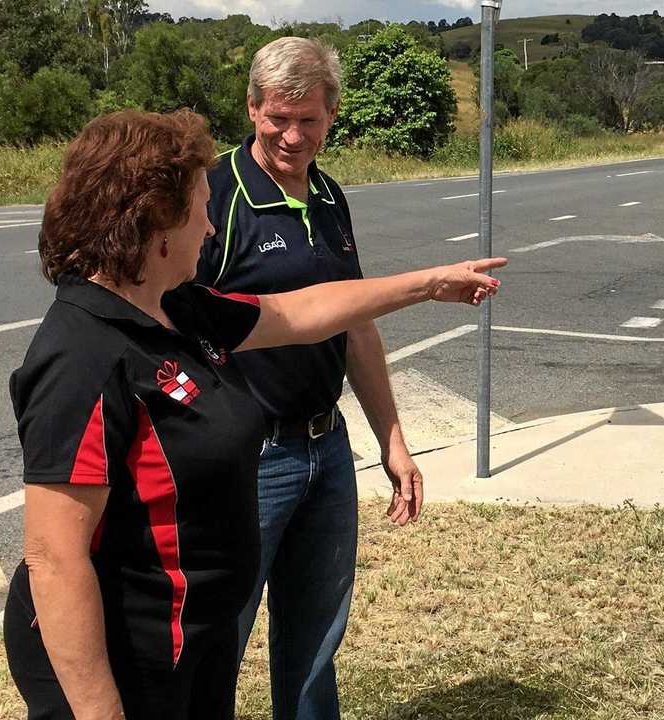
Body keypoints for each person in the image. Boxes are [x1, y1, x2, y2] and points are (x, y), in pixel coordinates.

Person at [3, 109, 504, 720]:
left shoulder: (177, 309)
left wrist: (427, 284)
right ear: (155, 224)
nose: (211, 226)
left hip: (195, 649)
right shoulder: (81, 355)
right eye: (199, 207)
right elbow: (54, 560)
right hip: (130, 669)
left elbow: (301, 312)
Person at [191, 37, 425, 719]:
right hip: (246, 460)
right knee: (215, 645)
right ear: (252, 107)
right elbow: (175, 329)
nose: (293, 136)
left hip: (326, 450)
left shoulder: (328, 194)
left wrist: (392, 440)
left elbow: (355, 322)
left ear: (332, 114)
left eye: (310, 120)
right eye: (278, 118)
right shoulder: (214, 195)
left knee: (317, 643)